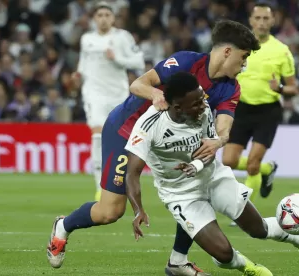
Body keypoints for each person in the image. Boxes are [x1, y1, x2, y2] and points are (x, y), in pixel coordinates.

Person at [47, 20, 260, 276]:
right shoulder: (186, 62)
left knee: (199, 186)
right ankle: (63, 225)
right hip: (127, 130)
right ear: (227, 51)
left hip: (171, 141)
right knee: (110, 211)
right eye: (243, 56)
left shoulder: (230, 87)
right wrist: (155, 95)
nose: (244, 64)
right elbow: (137, 84)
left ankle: (178, 262)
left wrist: (220, 140)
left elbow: (224, 126)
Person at [125, 72, 299, 276]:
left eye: (202, 99)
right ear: (177, 107)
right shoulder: (149, 125)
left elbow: (210, 148)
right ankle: (248, 267)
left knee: (258, 229)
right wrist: (137, 210)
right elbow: (132, 173)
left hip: (213, 177)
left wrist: (195, 166)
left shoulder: (202, 109)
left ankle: (298, 238)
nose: (203, 105)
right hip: (181, 194)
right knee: (223, 255)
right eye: (196, 103)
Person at [222, 2, 299, 218]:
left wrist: (281, 88)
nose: (262, 23)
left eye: (266, 18)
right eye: (258, 18)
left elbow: (294, 87)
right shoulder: (238, 47)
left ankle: (243, 214)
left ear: (273, 21)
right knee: (228, 161)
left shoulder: (282, 51)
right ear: (251, 21)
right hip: (241, 109)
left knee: (252, 162)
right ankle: (267, 170)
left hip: (267, 112)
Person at [72, 1, 145, 201]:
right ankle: (99, 187)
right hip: (93, 93)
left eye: (107, 15)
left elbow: (138, 62)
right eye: (99, 15)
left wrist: (118, 58)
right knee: (97, 136)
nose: (103, 18)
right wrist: (78, 75)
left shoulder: (123, 37)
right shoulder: (87, 39)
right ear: (94, 19)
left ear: (113, 18)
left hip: (118, 94)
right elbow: (83, 63)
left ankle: (119, 184)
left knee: (119, 141)